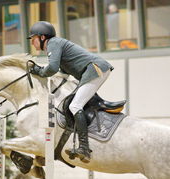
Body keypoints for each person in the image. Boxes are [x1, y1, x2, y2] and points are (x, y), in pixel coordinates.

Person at [28, 21, 113, 163]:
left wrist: (38, 71)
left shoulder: (53, 43)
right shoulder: (56, 46)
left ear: (42, 37)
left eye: (33, 38)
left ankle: (84, 148)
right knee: (74, 103)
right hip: (95, 69)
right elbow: (61, 73)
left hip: (95, 69)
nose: (32, 43)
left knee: (75, 106)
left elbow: (52, 69)